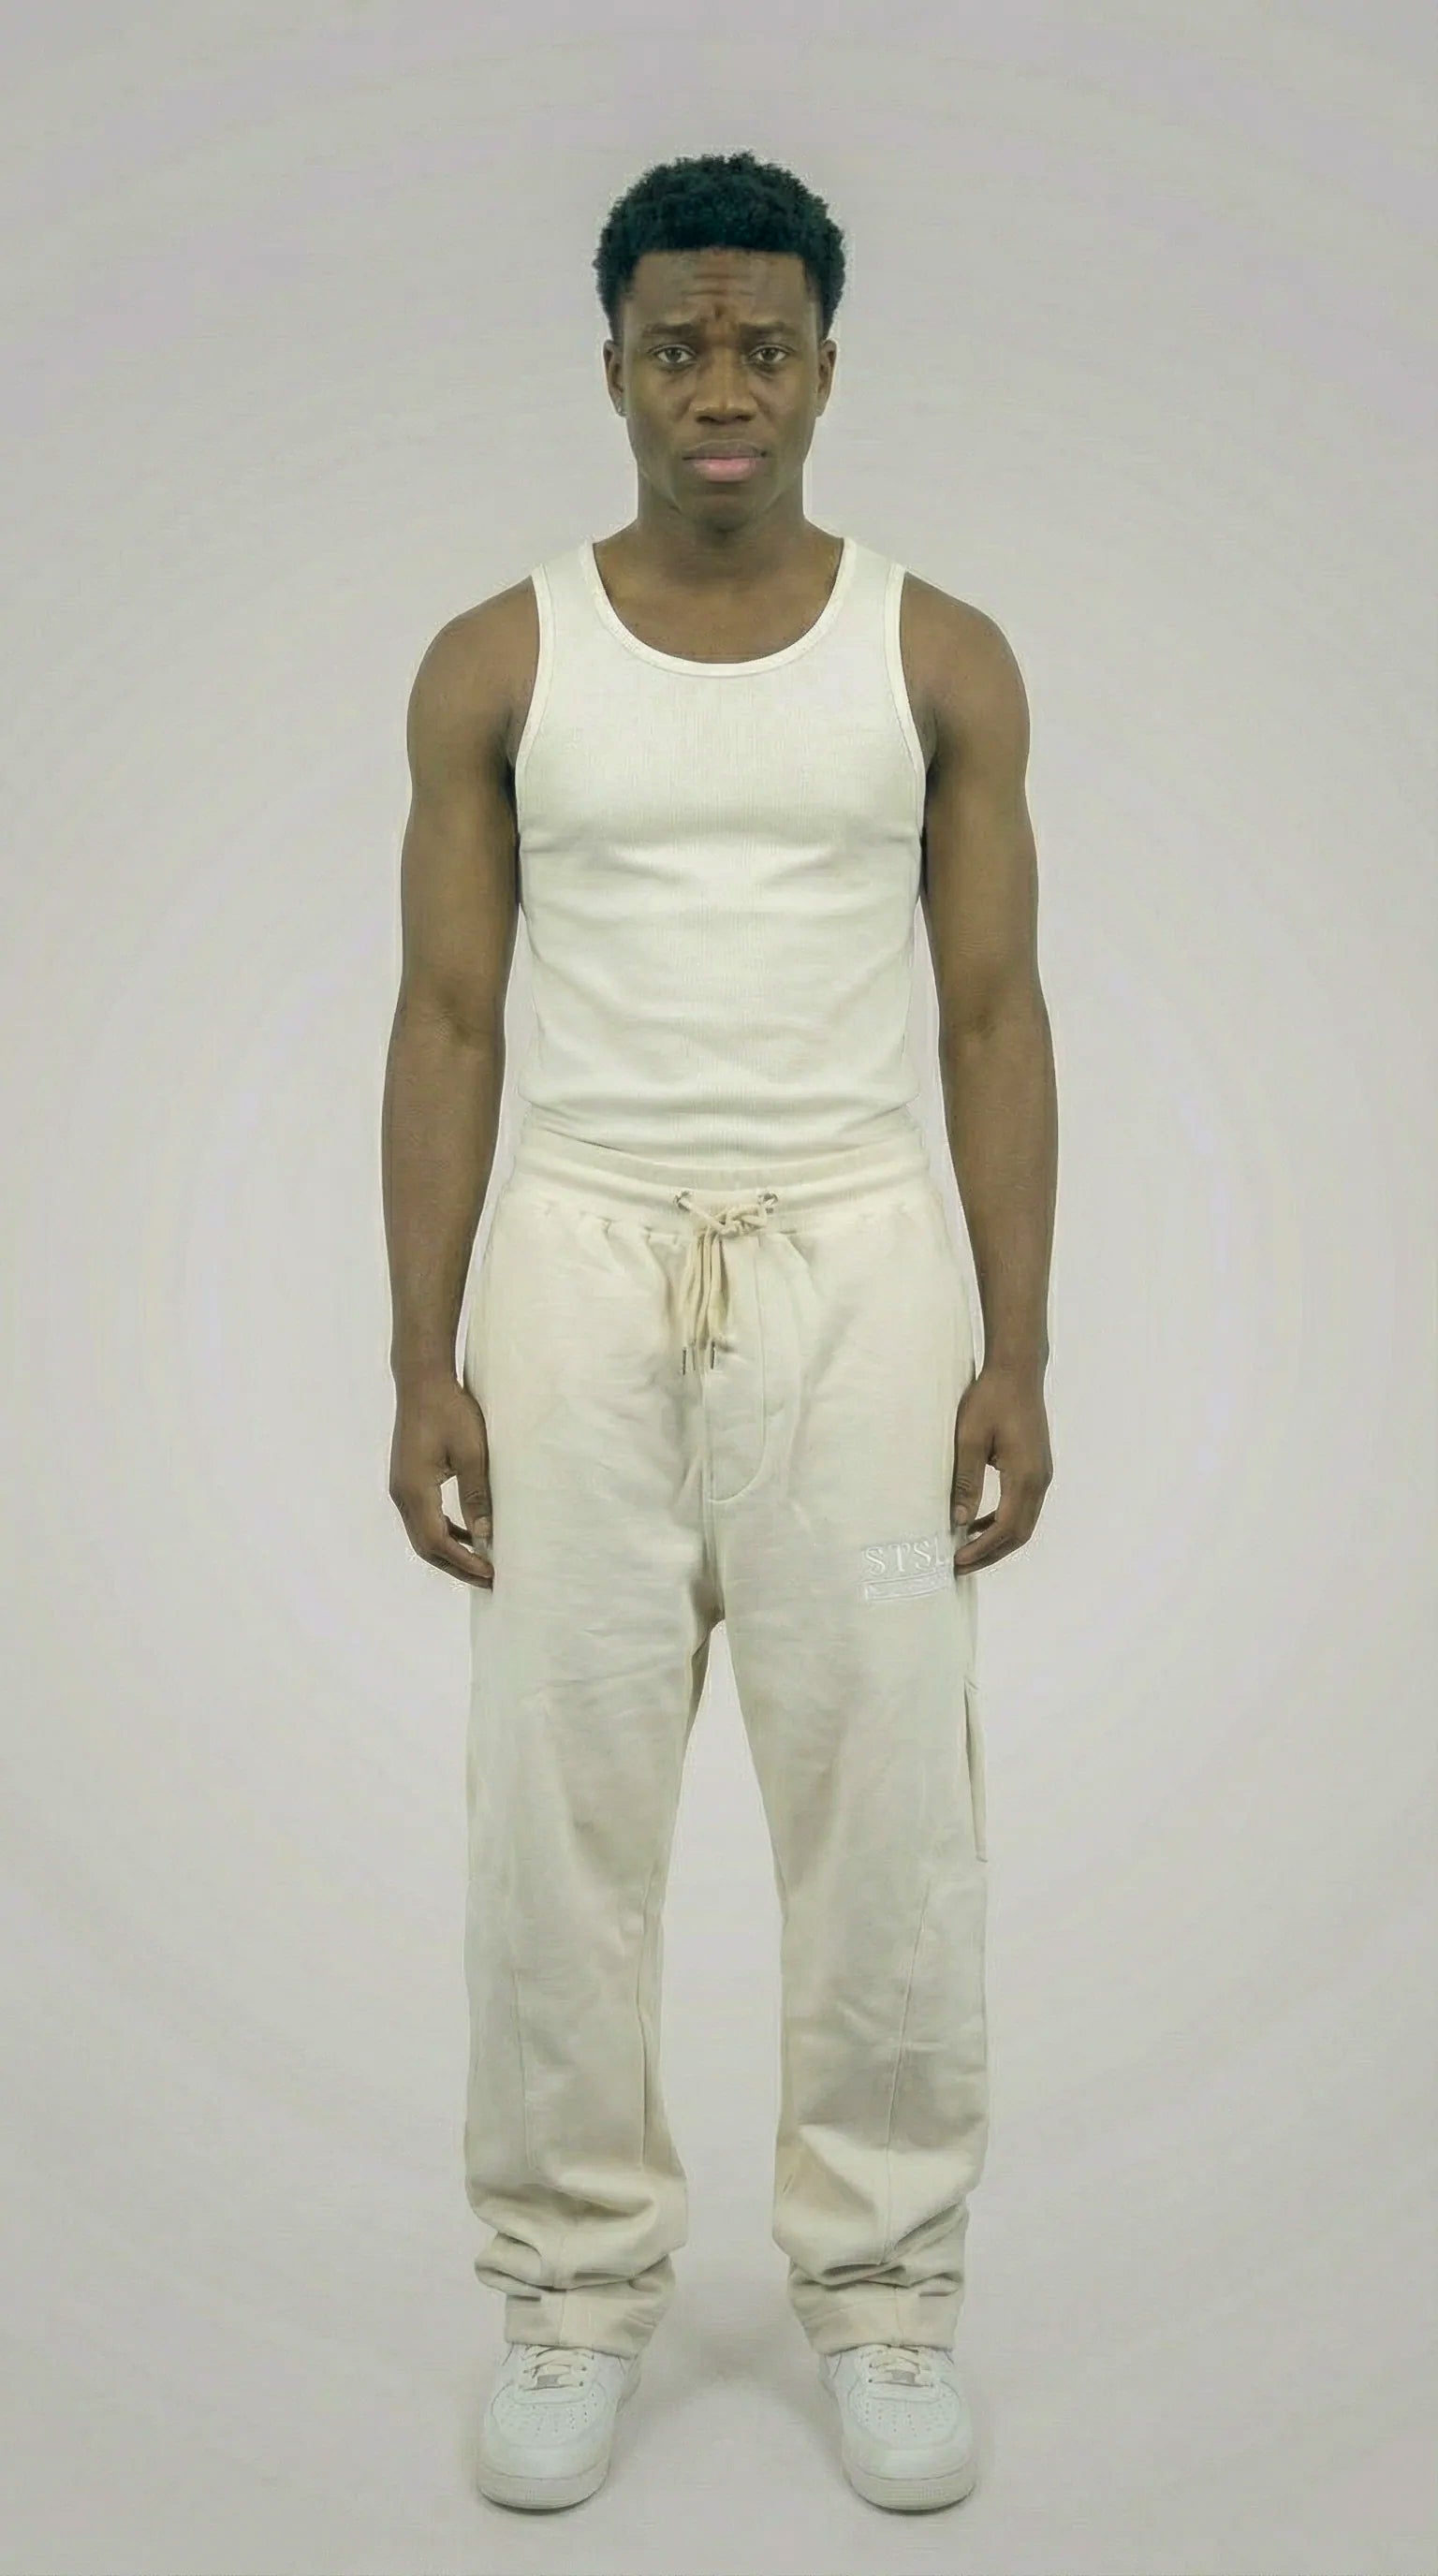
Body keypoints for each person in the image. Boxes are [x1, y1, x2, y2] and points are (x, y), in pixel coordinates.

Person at [381, 148, 1056, 2517]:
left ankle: (884, 2290)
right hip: (577, 1274)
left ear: (828, 368)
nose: (723, 385)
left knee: (885, 1801)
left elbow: (991, 1015)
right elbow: (451, 1017)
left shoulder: (936, 657)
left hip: (859, 1281)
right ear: (614, 371)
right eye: (678, 345)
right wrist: (423, 1356)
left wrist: (1016, 1347)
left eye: (765, 344)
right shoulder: (501, 661)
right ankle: (571, 2287)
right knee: (556, 1812)